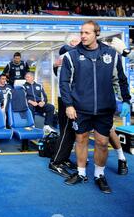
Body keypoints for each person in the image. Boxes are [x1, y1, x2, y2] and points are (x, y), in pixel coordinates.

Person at [60, 20, 131, 193]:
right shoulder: (72, 55)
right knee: (81, 139)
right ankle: (81, 173)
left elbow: (120, 79)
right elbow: (64, 83)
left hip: (104, 108)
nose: (83, 36)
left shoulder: (111, 54)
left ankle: (100, 175)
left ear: (96, 34)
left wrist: (127, 100)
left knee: (102, 142)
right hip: (81, 108)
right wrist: (68, 104)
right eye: (81, 32)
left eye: (87, 33)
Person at [48, 34, 81, 178]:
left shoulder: (68, 55)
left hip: (68, 99)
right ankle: (55, 162)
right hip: (68, 100)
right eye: (75, 41)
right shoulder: (68, 55)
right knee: (67, 131)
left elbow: (58, 73)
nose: (78, 43)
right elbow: (65, 80)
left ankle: (64, 158)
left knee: (70, 131)